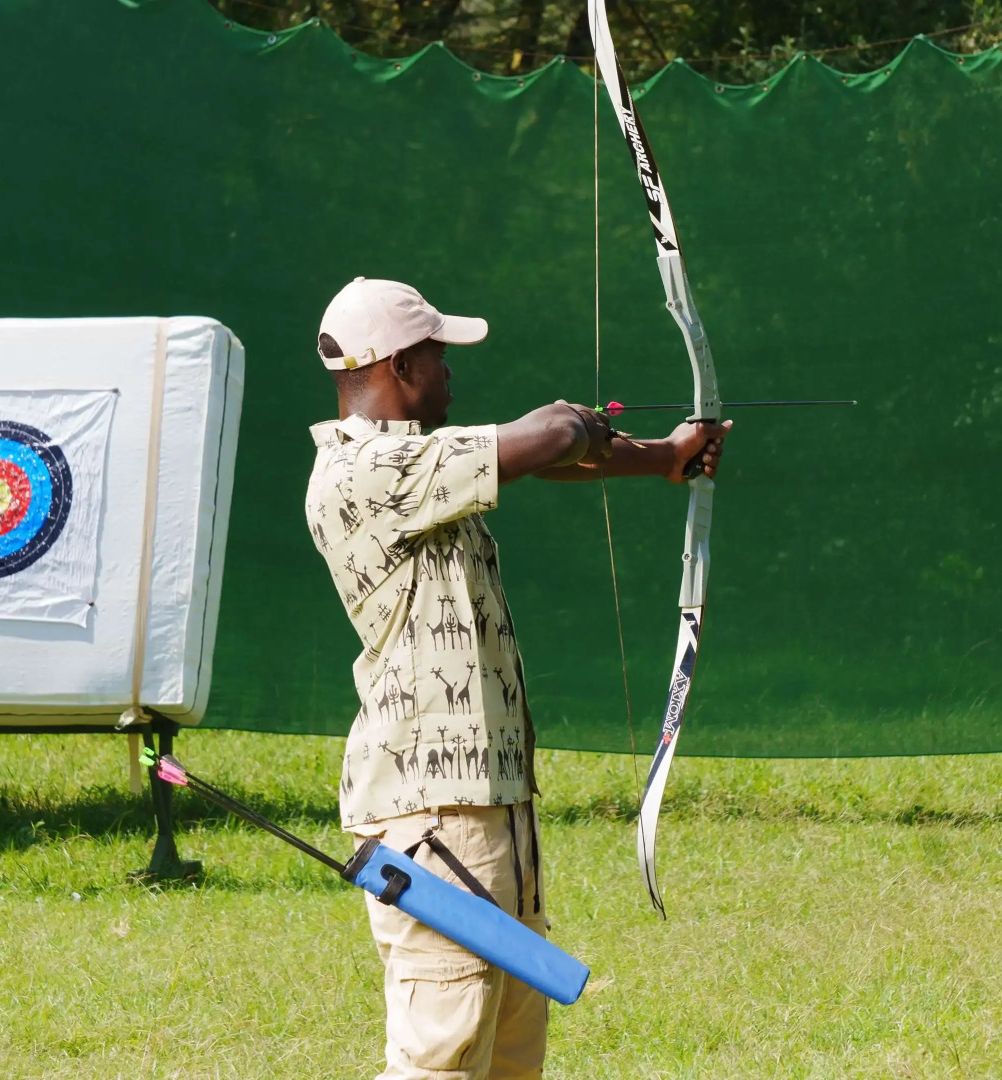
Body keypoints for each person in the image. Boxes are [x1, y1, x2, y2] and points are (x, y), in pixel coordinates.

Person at [304, 277, 728, 1080]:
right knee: (444, 1048)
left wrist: (660, 458)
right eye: (437, 356)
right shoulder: (366, 474)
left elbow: (537, 459)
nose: (450, 372)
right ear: (398, 366)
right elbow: (544, 438)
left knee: (507, 1045)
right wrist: (575, 423)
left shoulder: (418, 466)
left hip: (487, 808)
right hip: (433, 819)